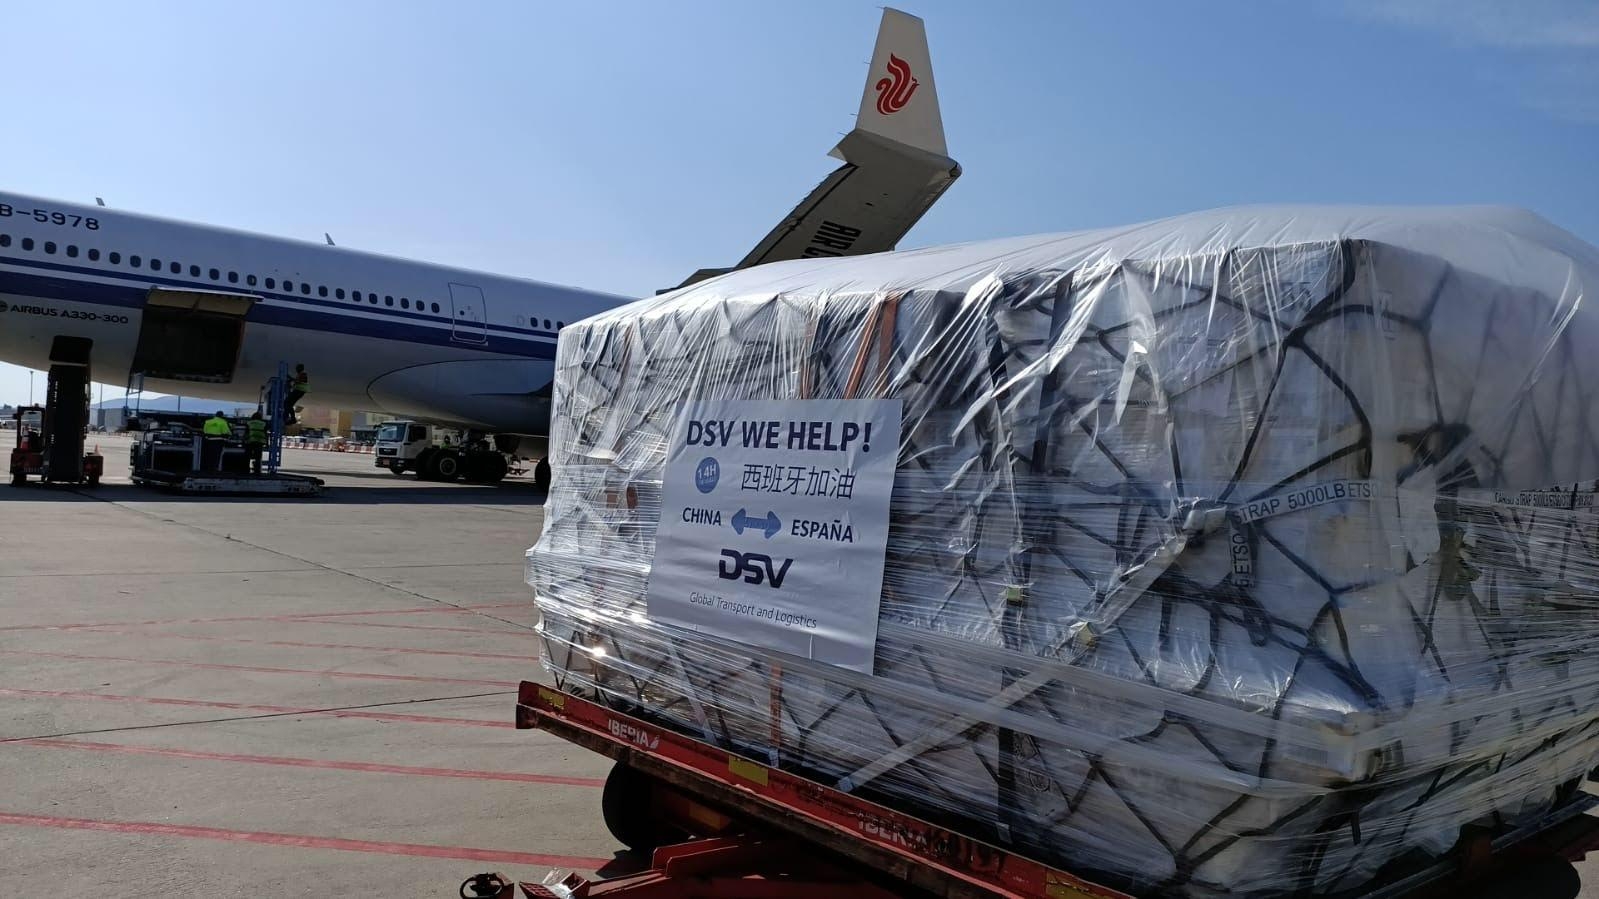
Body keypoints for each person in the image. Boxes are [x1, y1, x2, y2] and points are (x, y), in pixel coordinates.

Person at [244, 410, 268, 475]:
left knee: (247, 456)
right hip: (259, 442)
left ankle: (246, 469)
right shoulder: (264, 423)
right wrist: (267, 443)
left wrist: (244, 441)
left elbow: (246, 433)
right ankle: (257, 470)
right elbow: (266, 434)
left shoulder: (249, 422)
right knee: (258, 457)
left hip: (250, 441)